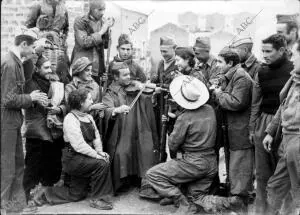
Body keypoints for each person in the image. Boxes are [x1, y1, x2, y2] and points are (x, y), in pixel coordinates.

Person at [139, 75, 231, 213]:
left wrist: (173, 122)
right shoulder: (209, 109)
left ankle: (180, 201)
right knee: (196, 197)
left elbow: (173, 144)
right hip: (211, 163)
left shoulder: (184, 117)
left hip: (193, 162)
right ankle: (230, 202)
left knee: (152, 174)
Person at [32, 88, 114, 210]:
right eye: (89, 99)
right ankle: (98, 199)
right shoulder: (70, 119)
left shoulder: (88, 117)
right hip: (74, 159)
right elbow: (79, 145)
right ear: (81, 103)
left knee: (76, 195)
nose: (92, 102)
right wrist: (97, 156)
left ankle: (45, 193)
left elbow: (96, 137)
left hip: (84, 157)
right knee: (102, 164)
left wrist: (100, 151)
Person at [1, 27, 49, 212]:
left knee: (17, 165)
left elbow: (27, 74)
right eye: (32, 47)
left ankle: (15, 207)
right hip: (6, 122)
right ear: (23, 44)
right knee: (7, 167)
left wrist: (35, 53)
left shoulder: (16, 61)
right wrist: (32, 98)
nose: (32, 51)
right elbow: (8, 99)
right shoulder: (10, 64)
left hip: (11, 121)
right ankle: (5, 207)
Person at [249, 34, 293, 214]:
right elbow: (255, 103)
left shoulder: (293, 71)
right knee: (262, 175)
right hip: (264, 124)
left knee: (285, 176)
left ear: (281, 50)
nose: (264, 55)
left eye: (268, 51)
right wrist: (252, 128)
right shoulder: (261, 71)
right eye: (263, 51)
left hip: (286, 125)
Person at [103, 62, 158, 193]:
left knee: (144, 148)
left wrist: (149, 92)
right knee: (121, 152)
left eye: (129, 74)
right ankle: (123, 181)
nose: (129, 78)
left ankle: (141, 180)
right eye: (125, 75)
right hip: (121, 130)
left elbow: (146, 96)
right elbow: (106, 108)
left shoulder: (133, 86)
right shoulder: (111, 92)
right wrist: (116, 110)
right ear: (116, 77)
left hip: (137, 126)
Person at [211, 47, 254, 212]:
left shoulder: (241, 77)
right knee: (234, 166)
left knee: (240, 166)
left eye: (220, 62)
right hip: (233, 129)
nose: (218, 65)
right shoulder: (232, 75)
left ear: (230, 63)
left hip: (240, 131)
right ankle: (236, 199)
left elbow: (236, 102)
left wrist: (218, 93)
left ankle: (240, 201)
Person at [263, 39, 300, 215]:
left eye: (297, 55)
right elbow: (283, 106)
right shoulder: (295, 78)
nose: (293, 59)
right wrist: (271, 131)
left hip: (298, 142)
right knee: (275, 186)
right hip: (287, 140)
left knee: (297, 191)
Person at [23, 55, 65, 203]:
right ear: (37, 69)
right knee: (33, 166)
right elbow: (37, 103)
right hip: (37, 130)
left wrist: (59, 109)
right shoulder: (30, 84)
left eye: (50, 67)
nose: (50, 70)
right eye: (45, 67)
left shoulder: (54, 82)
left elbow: (64, 102)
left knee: (51, 163)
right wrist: (49, 106)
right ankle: (26, 197)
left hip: (52, 130)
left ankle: (44, 195)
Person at [25, 0, 71, 84]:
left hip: (58, 48)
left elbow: (66, 28)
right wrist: (39, 36)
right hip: (42, 47)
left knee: (60, 75)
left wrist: (63, 40)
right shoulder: (38, 5)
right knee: (42, 76)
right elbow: (28, 27)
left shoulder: (63, 7)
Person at [71, 0, 114, 84]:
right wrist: (102, 31)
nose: (102, 13)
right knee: (81, 93)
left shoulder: (103, 22)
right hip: (83, 67)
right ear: (92, 9)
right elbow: (84, 42)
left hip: (98, 68)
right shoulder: (80, 21)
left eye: (104, 9)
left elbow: (106, 45)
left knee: (96, 94)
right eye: (99, 10)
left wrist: (108, 29)